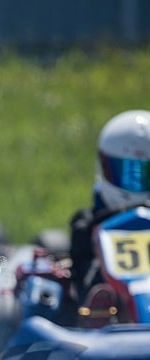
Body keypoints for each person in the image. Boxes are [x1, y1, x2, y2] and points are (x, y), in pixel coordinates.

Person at [69, 109, 150, 295]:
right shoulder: (89, 226)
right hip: (107, 310)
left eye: (146, 175)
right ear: (104, 166)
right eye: (129, 173)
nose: (138, 183)